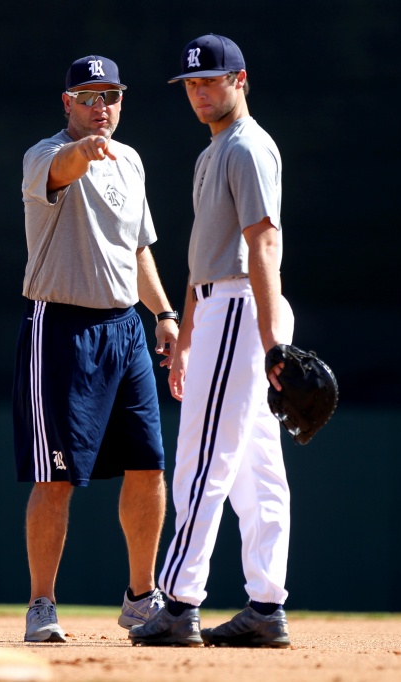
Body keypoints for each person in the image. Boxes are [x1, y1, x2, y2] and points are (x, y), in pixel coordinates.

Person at [129, 34, 296, 648]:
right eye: (191, 84)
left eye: (211, 80)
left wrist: (272, 338)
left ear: (240, 79)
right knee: (256, 469)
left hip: (240, 307)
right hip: (216, 309)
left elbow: (263, 243)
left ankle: (178, 603)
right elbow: (204, 257)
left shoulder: (249, 149)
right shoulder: (214, 151)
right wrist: (188, 334)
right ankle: (265, 606)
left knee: (202, 461)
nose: (199, 92)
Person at [14, 54, 181, 643]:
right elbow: (59, 169)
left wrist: (162, 314)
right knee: (55, 476)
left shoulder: (130, 160)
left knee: (149, 465)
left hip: (125, 329)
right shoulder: (46, 154)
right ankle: (42, 605)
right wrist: (80, 151)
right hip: (61, 326)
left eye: (109, 96)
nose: (99, 107)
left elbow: (137, 250)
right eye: (86, 96)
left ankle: (141, 599)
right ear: (67, 103)